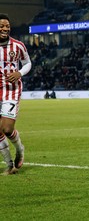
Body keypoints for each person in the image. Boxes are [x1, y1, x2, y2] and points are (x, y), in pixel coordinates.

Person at [0, 13, 31, 175]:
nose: (5, 28)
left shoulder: (18, 45)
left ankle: (20, 148)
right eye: (1, 26)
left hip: (11, 90)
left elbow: (28, 63)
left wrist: (19, 73)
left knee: (6, 128)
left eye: (7, 26)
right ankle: (9, 164)